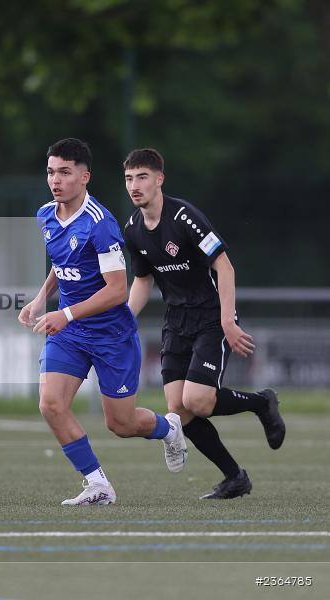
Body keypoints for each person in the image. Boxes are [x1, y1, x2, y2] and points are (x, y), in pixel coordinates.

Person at [18, 138, 187, 507]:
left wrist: (65, 313)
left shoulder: (101, 225)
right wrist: (40, 298)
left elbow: (116, 290)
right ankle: (97, 484)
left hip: (111, 336)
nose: (55, 180)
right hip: (70, 334)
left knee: (121, 425)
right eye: (50, 172)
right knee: (51, 404)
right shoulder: (46, 215)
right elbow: (63, 265)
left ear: (85, 176)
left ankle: (169, 427)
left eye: (65, 172)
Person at [122, 148, 285, 499]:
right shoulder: (133, 229)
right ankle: (235, 477)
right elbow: (143, 280)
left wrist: (227, 320)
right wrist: (123, 320)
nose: (135, 185)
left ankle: (262, 403)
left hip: (211, 317)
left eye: (142, 177)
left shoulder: (185, 217)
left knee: (197, 400)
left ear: (159, 179)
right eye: (129, 178)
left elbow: (224, 267)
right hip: (176, 320)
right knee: (178, 409)